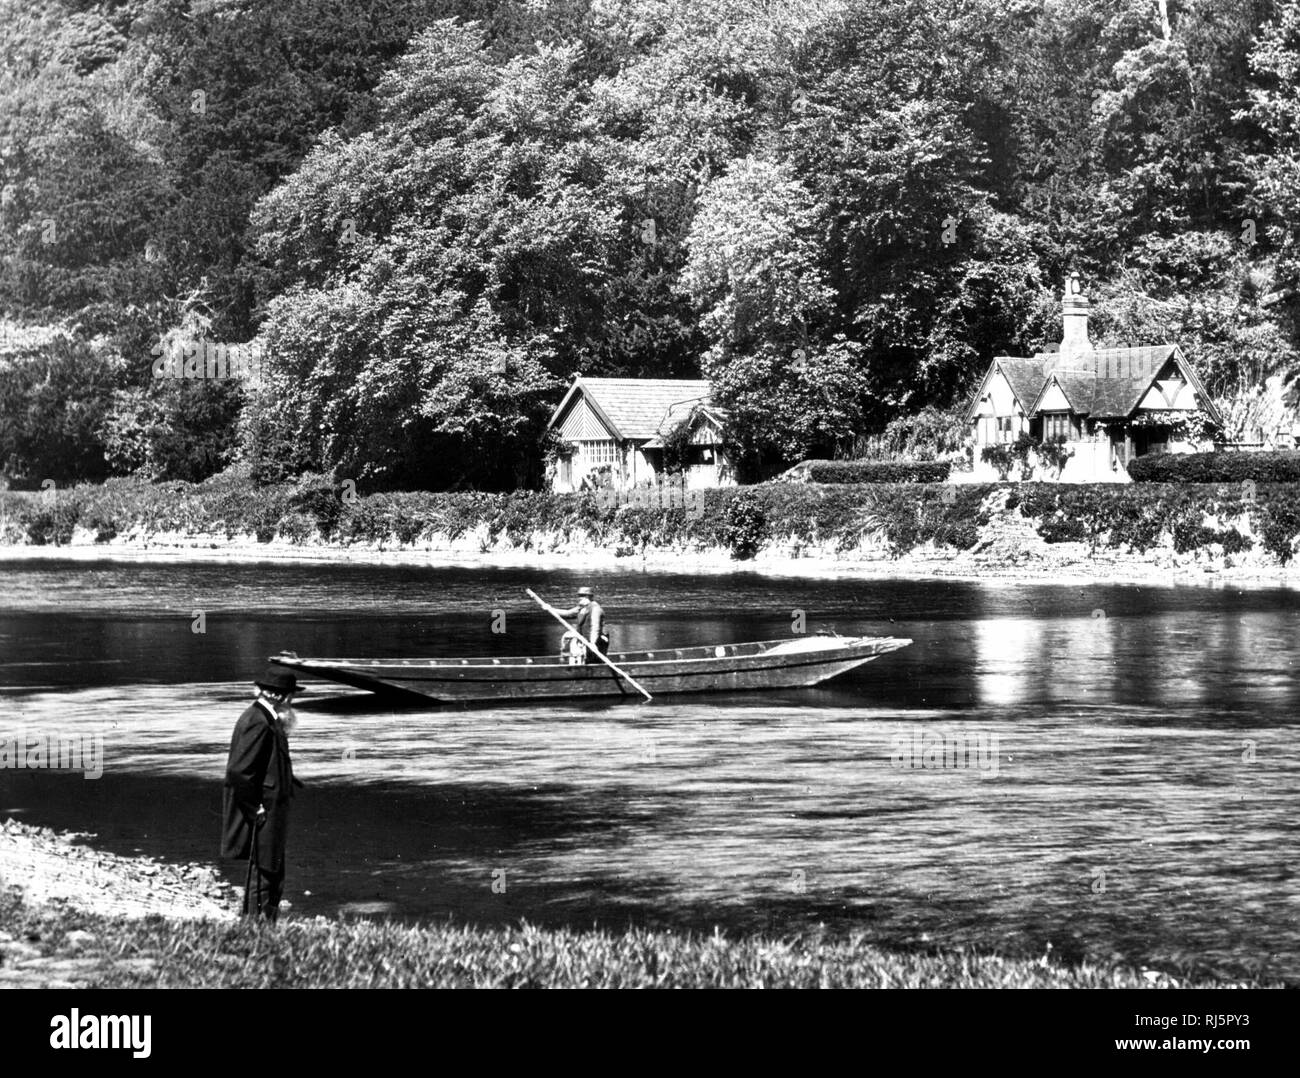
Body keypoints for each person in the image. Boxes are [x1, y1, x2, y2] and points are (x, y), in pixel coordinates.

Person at [221, 666, 303, 921]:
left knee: (271, 869)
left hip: (268, 808)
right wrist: (253, 808)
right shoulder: (257, 721)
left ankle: (262, 927)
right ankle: (256, 929)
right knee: (266, 871)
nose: (291, 702)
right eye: (291, 696)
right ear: (282, 697)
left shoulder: (264, 719)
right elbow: (239, 772)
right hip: (263, 810)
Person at [557, 586, 609, 664]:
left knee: (594, 661)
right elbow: (567, 613)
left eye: (582, 596)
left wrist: (593, 643)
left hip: (597, 641)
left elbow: (595, 628)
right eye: (579, 595)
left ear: (588, 597)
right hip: (585, 640)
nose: (579, 598)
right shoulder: (581, 608)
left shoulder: (595, 609)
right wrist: (549, 608)